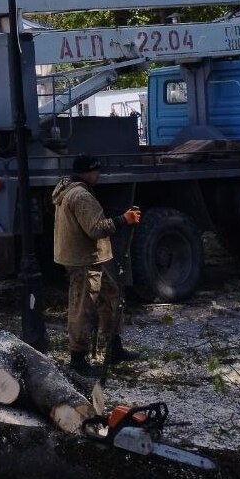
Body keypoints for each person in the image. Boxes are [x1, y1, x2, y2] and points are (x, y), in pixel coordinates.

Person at [52, 153, 141, 377]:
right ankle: (78, 359)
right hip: (85, 260)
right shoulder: (81, 196)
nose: (98, 174)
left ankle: (114, 347)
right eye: (96, 171)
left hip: (91, 258)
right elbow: (96, 228)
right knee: (83, 307)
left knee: (110, 299)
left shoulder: (71, 190)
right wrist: (124, 219)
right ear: (87, 172)